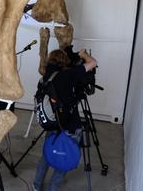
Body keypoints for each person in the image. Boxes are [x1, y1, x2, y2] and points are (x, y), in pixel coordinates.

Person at [33, 49, 98, 191]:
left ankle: (36, 185)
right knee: (64, 157)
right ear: (65, 62)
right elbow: (93, 63)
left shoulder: (45, 77)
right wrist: (83, 55)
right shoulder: (68, 75)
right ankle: (53, 188)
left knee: (47, 154)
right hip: (69, 125)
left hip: (52, 123)